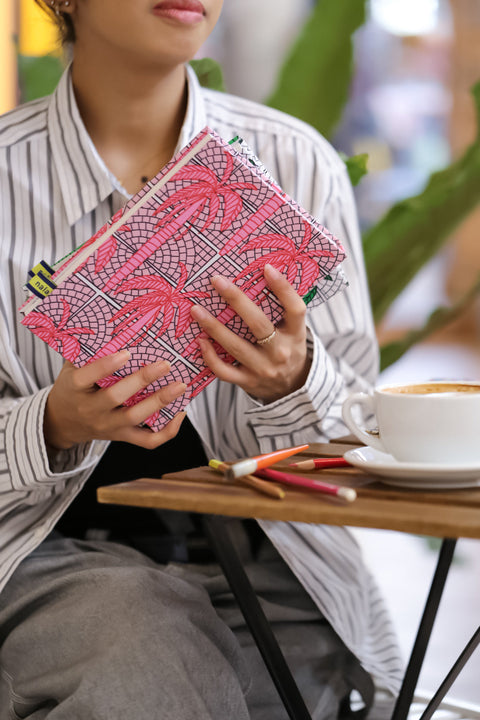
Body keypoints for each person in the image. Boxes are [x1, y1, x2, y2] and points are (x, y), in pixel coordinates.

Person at [0, 1, 403, 718]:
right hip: (49, 567)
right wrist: (52, 425)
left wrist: (296, 381)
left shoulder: (295, 162)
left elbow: (364, 432)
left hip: (273, 570)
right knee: (144, 651)